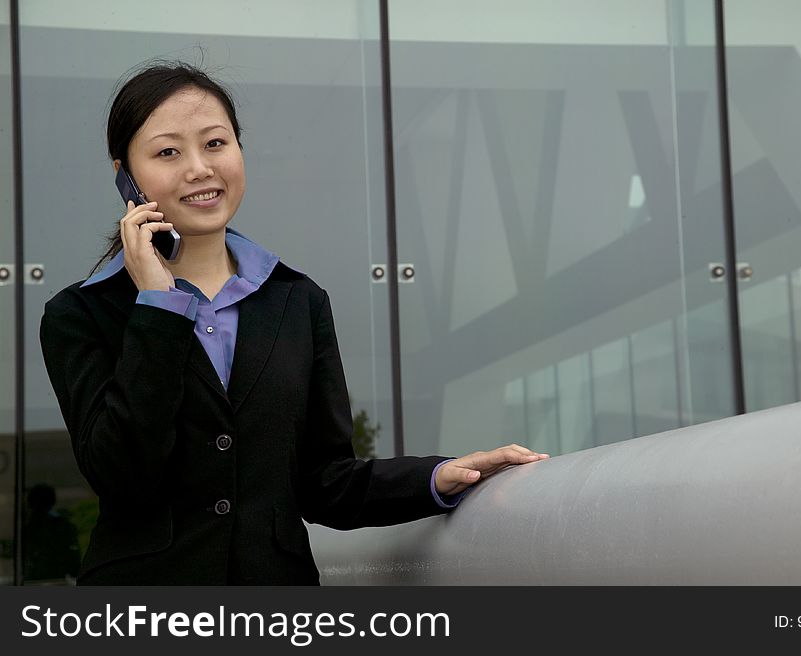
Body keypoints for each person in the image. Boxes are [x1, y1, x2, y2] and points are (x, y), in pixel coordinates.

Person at [39, 61, 548, 585]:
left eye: (216, 143)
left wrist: (441, 476)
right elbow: (123, 477)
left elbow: (325, 482)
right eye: (168, 152)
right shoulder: (79, 316)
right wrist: (157, 306)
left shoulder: (299, 303)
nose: (199, 168)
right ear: (126, 174)